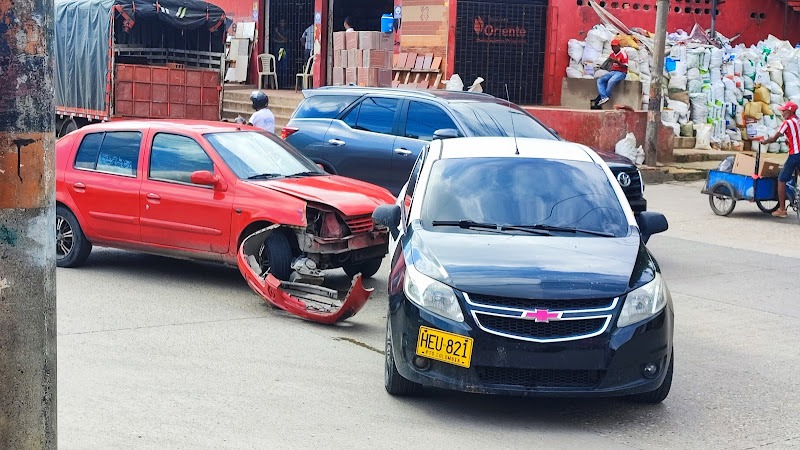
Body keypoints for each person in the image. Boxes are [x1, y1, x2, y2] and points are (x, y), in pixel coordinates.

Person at [759, 101, 800, 218]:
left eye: (784, 111)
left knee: (781, 180)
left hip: (795, 154)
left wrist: (765, 141)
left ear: (790, 111)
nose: (782, 113)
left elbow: (775, 138)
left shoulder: (787, 123)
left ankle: (782, 209)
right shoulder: (798, 120)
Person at [594, 39, 628, 107]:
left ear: (619, 46)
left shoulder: (623, 54)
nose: (614, 48)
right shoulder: (612, 55)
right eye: (612, 46)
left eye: (615, 46)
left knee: (611, 81)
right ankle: (604, 97)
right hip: (613, 72)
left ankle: (604, 97)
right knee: (600, 80)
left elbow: (625, 67)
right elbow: (608, 65)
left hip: (621, 73)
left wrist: (617, 62)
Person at [273, 18, 290, 84]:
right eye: (281, 22)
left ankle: (285, 82)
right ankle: (278, 82)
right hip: (277, 49)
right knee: (278, 66)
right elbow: (273, 40)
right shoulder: (277, 30)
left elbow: (286, 40)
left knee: (285, 66)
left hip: (285, 50)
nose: (282, 24)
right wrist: (281, 41)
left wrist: (278, 33)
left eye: (283, 22)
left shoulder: (288, 31)